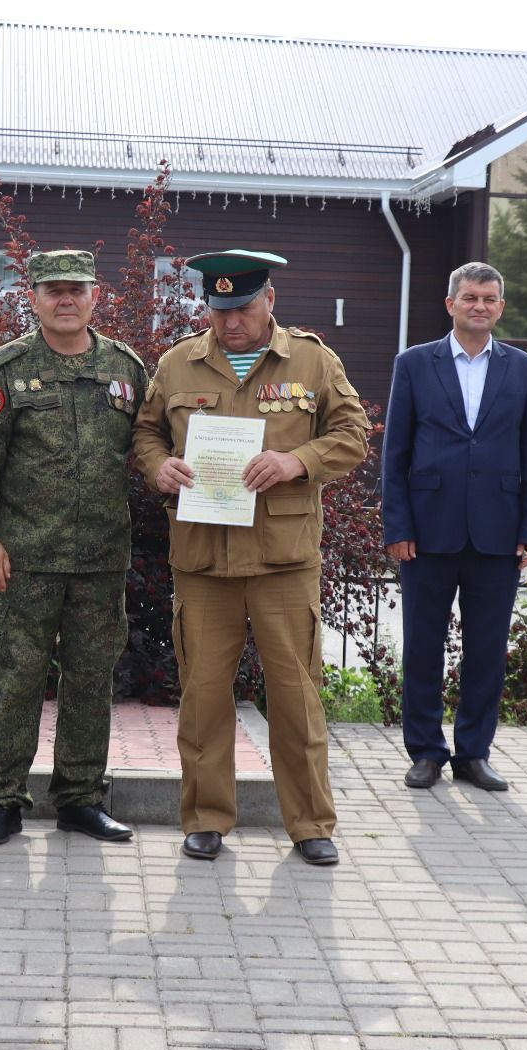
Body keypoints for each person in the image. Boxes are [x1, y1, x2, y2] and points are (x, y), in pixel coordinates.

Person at [132, 249, 368, 866]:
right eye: (218, 309)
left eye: (240, 309)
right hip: (204, 559)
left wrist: (297, 462)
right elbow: (145, 432)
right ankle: (206, 818)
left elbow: (352, 434)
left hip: (283, 561)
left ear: (269, 302)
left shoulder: (312, 360)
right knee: (204, 695)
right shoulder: (179, 361)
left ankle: (311, 824)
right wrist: (160, 466)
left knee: (295, 696)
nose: (229, 322)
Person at [0, 249, 149, 845]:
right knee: (17, 679)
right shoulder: (8, 369)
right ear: (32, 298)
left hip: (99, 561)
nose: (66, 299)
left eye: (76, 289)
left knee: (91, 681)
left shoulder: (126, 369)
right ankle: (1, 800)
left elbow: (155, 444)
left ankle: (81, 799)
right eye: (52, 290)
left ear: (95, 296)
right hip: (24, 561)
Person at [380, 263, 527, 792]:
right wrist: (397, 525)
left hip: (497, 535)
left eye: (490, 299)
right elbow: (396, 453)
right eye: (470, 297)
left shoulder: (523, 369)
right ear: (450, 304)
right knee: (423, 646)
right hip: (427, 534)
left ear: (500, 307)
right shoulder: (413, 365)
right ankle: (426, 752)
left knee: (487, 650)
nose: (480, 306)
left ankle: (474, 753)